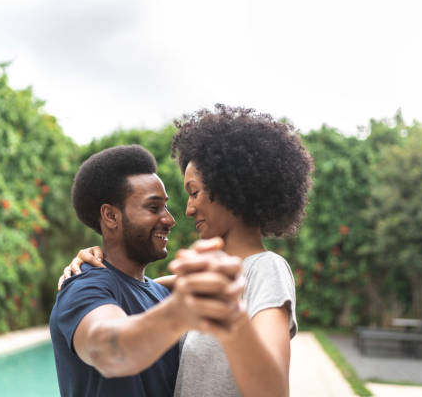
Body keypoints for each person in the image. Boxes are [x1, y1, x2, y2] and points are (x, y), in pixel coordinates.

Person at [61, 105, 313, 397]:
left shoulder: (266, 268)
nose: (188, 210)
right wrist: (90, 263)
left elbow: (273, 391)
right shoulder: (201, 282)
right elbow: (138, 290)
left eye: (194, 193)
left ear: (230, 186)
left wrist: (229, 315)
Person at [49, 144, 245, 397]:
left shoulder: (158, 292)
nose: (170, 220)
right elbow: (108, 350)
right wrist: (180, 312)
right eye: (154, 208)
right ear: (110, 216)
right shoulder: (83, 286)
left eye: (165, 207)